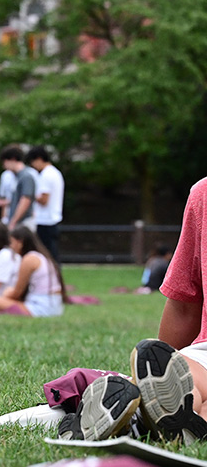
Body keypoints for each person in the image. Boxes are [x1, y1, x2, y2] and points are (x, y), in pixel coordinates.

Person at [60, 178, 207, 443]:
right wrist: (158, 368)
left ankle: (138, 423)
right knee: (185, 382)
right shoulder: (203, 194)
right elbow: (185, 305)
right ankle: (155, 413)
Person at [0, 227, 64, 317]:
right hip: (53, 305)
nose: (11, 246)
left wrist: (5, 295)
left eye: (12, 242)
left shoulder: (29, 259)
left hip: (41, 307)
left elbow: (17, 293)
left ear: (20, 243)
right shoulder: (40, 256)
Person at [28, 145, 65, 264]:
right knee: (52, 253)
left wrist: (30, 196)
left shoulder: (45, 175)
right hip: (53, 218)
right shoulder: (55, 173)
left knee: (47, 254)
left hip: (45, 220)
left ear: (39, 159)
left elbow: (44, 200)